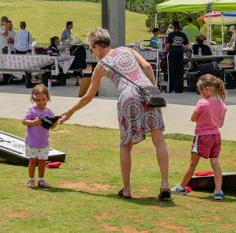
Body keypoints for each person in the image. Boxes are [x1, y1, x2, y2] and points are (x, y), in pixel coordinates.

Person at [60, 28, 170, 200]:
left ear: (97, 46)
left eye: (91, 48)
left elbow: (88, 96)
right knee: (159, 139)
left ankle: (127, 189)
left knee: (126, 145)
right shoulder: (127, 49)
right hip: (148, 92)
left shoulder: (101, 66)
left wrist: (70, 112)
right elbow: (147, 66)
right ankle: (164, 183)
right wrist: (153, 89)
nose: (92, 52)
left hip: (127, 96)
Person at [171, 74, 227, 201]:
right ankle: (218, 190)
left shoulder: (202, 103)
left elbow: (193, 118)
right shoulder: (221, 104)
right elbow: (220, 124)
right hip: (216, 136)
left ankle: (181, 186)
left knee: (193, 163)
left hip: (202, 136)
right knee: (215, 162)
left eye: (200, 90)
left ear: (207, 89)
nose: (200, 93)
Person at [22, 84, 57, 189]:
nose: (41, 102)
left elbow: (52, 127)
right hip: (32, 142)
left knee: (42, 162)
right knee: (32, 161)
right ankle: (31, 180)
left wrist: (55, 122)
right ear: (34, 99)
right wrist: (34, 122)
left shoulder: (50, 112)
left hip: (44, 142)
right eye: (38, 100)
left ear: (48, 98)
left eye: (43, 99)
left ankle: (41, 180)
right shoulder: (31, 110)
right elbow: (24, 121)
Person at [165, 20, 189, 93]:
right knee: (179, 71)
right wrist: (182, 50)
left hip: (172, 54)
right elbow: (186, 47)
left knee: (171, 71)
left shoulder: (171, 34)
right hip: (180, 54)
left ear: (173, 26)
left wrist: (166, 50)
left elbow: (167, 46)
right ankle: (179, 89)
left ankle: (171, 88)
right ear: (179, 26)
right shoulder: (183, 35)